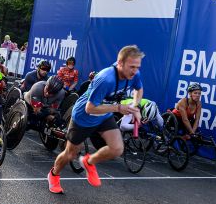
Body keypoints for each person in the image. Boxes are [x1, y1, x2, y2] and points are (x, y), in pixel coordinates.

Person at [48, 45, 144, 194]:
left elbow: (139, 90)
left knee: (117, 149)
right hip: (83, 117)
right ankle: (53, 175)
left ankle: (89, 161)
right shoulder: (106, 79)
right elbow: (90, 108)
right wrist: (118, 108)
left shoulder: (134, 74)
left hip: (104, 115)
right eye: (132, 66)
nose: (135, 70)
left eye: (137, 67)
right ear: (120, 63)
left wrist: (134, 106)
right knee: (70, 154)